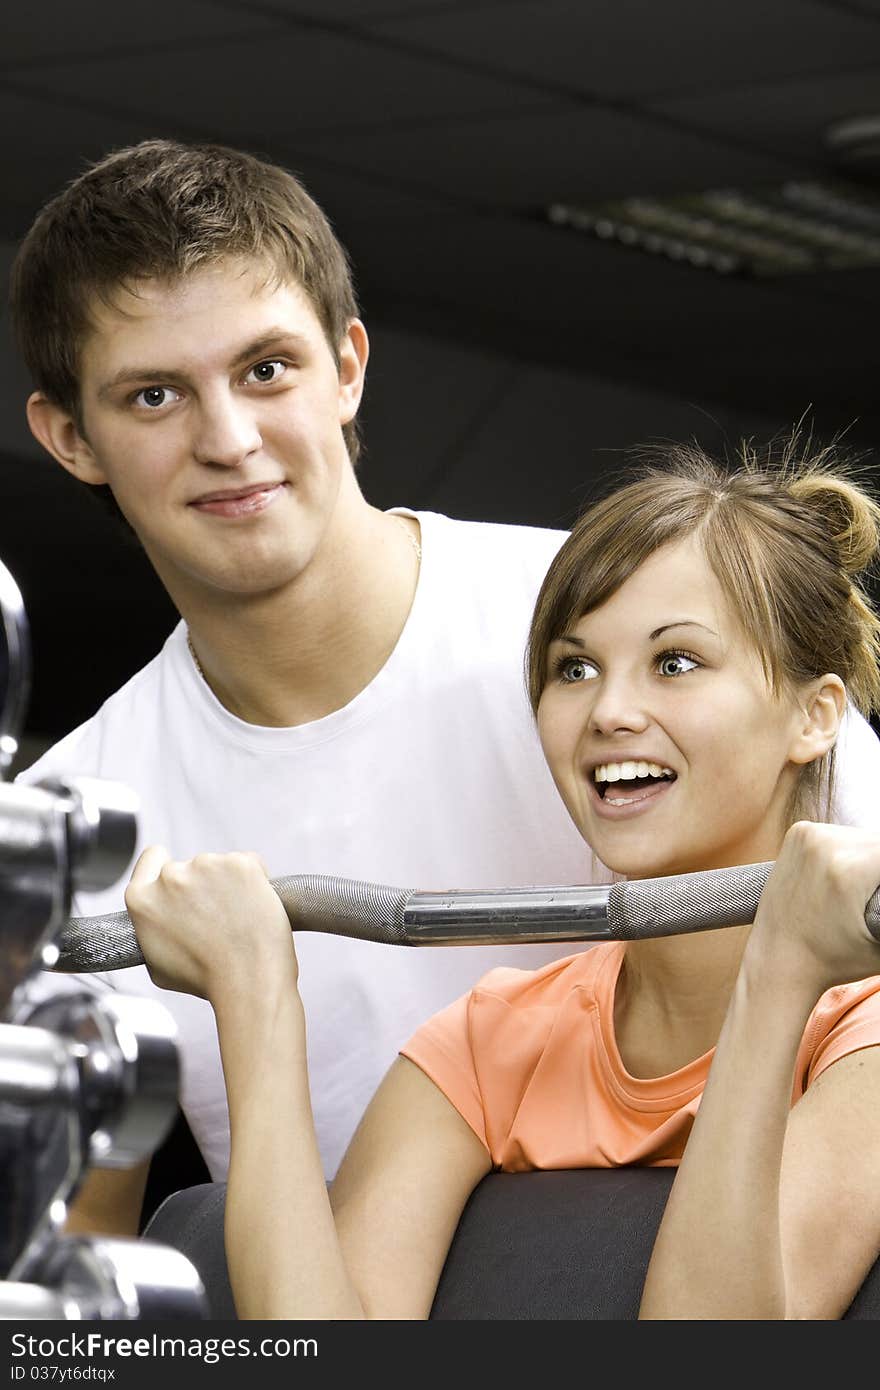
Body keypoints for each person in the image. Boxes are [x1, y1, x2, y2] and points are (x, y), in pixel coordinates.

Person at [9, 135, 880, 1246]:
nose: (228, 439)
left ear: (349, 366)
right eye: (154, 395)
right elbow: (76, 1269)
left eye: (266, 369)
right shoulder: (66, 826)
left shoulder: (625, 634)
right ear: (71, 438)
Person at [124, 441, 880, 1320]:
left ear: (815, 714)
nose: (610, 712)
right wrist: (252, 999)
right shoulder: (497, 1040)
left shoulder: (862, 1033)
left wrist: (781, 970)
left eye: (675, 663)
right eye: (574, 667)